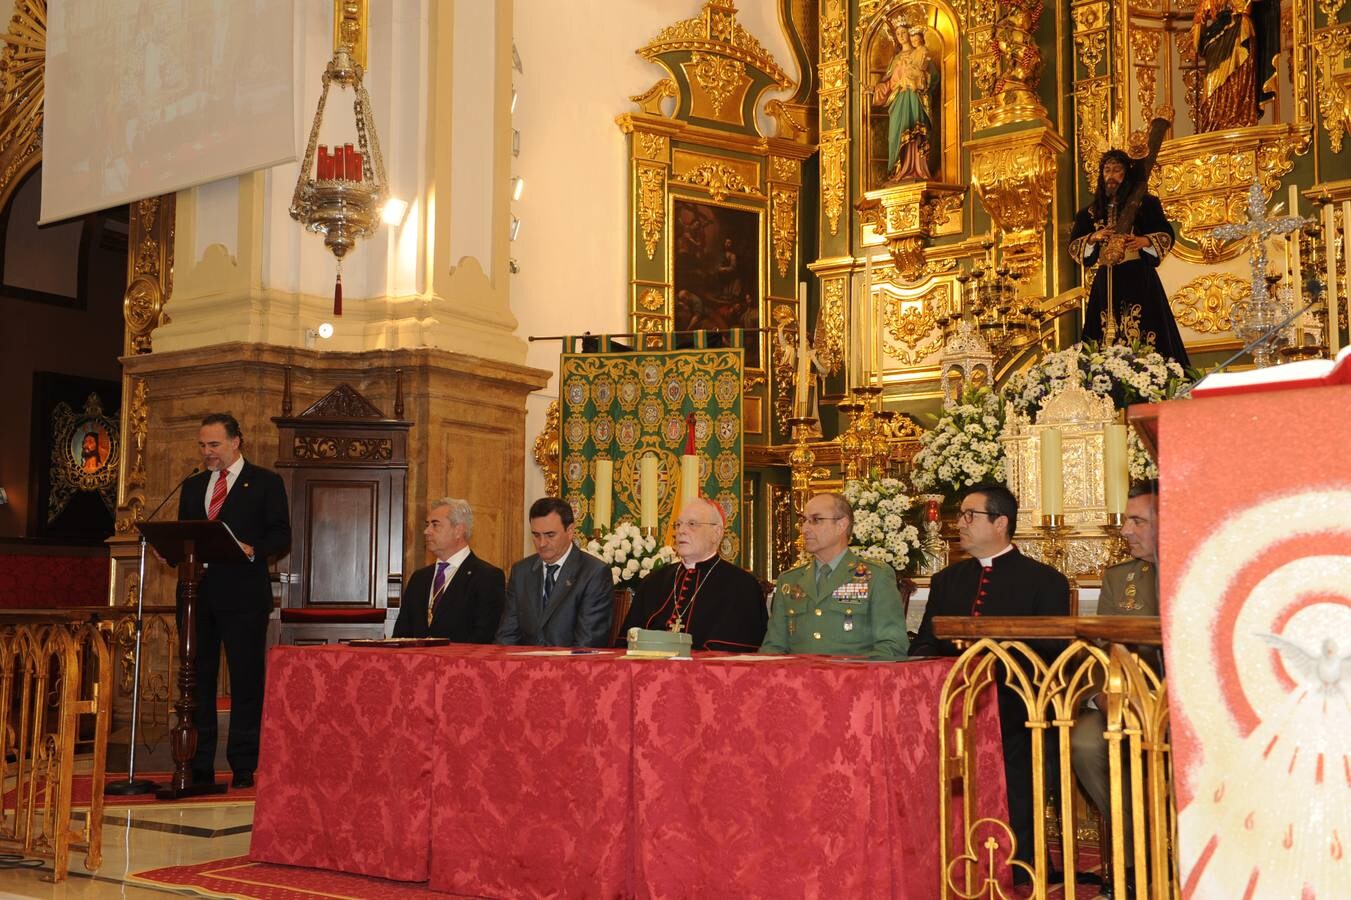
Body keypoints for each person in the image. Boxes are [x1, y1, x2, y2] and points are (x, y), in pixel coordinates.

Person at [910, 483, 1070, 880]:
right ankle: (942, 858)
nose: (959, 524)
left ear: (1001, 523)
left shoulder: (1044, 581)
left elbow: (1050, 658)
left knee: (1012, 736)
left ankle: (1019, 863)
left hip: (1017, 702)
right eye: (960, 515)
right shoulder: (948, 580)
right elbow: (929, 642)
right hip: (952, 700)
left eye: (970, 516)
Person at [177, 413, 290, 790]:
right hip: (197, 596)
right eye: (203, 445)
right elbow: (185, 536)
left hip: (242, 596)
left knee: (245, 683)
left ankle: (244, 764)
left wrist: (253, 549)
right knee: (199, 682)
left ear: (236, 441)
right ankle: (199, 763)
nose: (207, 452)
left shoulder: (265, 483)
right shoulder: (193, 486)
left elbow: (281, 534)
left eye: (214, 445)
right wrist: (171, 550)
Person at [1071, 480, 1161, 878]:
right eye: (1127, 521)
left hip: (1189, 705)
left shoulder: (1206, 566)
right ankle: (1132, 860)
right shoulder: (1120, 578)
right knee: (1086, 740)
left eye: (1137, 521)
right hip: (1128, 700)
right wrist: (1105, 691)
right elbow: (1101, 647)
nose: (1125, 530)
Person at [1069, 150, 1190, 368]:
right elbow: (1075, 247)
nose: (1111, 176)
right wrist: (1093, 237)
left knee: (1146, 330)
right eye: (1107, 170)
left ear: (1126, 175)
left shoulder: (1146, 204)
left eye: (1117, 170)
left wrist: (1145, 241)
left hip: (1139, 279)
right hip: (1105, 281)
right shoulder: (1088, 213)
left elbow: (1165, 234)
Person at [760, 492, 908, 660]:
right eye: (805, 520)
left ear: (842, 525)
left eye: (816, 520)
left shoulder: (875, 576)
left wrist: (846, 676)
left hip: (854, 681)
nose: (804, 529)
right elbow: (773, 647)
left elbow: (892, 646)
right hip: (798, 681)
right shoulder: (789, 580)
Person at [620, 497, 767, 652]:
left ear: (716, 533)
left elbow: (736, 654)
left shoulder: (742, 585)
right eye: (678, 524)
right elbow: (626, 645)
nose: (680, 531)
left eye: (692, 524)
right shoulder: (653, 582)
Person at [496, 497, 613, 647]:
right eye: (536, 535)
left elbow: (588, 643)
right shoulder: (521, 572)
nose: (542, 543)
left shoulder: (593, 573)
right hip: (525, 667)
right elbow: (507, 636)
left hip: (570, 667)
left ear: (570, 531)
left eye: (550, 535)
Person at [393, 498, 504, 642]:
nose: (426, 531)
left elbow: (483, 636)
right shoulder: (419, 578)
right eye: (427, 525)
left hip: (460, 663)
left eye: (435, 525)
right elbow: (401, 634)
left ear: (458, 530)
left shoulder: (486, 577)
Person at [1190, 0, 1278, 132]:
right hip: (1217, 33)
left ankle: (1237, 117)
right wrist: (1200, 14)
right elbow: (1200, 19)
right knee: (1211, 84)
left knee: (1237, 78)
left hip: (1238, 30)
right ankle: (1214, 122)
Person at [873, 25, 936, 184]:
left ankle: (918, 168)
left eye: (903, 33)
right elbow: (889, 83)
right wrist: (876, 89)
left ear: (911, 35)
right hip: (899, 99)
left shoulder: (920, 53)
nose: (900, 36)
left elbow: (933, 77)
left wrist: (921, 78)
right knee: (897, 133)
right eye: (898, 33)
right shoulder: (896, 59)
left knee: (915, 130)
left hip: (915, 97)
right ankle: (899, 169)